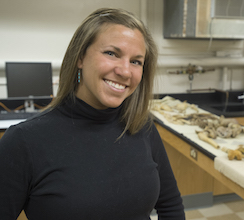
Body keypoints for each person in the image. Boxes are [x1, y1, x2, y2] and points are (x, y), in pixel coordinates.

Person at [0, 8, 185, 220]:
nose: (125, 71)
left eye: (136, 61)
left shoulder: (141, 126)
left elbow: (170, 205)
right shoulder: (24, 142)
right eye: (111, 53)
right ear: (80, 56)